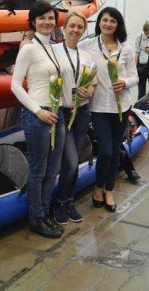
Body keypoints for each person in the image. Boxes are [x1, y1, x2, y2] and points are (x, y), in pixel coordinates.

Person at [11, 1, 68, 239]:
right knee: (38, 170)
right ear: (33, 22)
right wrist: (37, 111)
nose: (47, 22)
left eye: (51, 18)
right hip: (38, 115)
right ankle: (36, 218)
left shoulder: (55, 48)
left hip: (58, 113)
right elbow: (15, 85)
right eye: (42, 18)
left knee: (53, 169)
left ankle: (44, 212)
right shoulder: (28, 49)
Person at [79, 7, 138, 213]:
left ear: (118, 25)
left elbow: (135, 76)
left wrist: (124, 82)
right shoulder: (87, 45)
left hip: (122, 106)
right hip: (99, 106)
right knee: (105, 150)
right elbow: (68, 51)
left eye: (113, 21)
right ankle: (98, 187)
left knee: (114, 151)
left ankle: (109, 189)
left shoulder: (126, 49)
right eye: (105, 20)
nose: (108, 24)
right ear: (99, 23)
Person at [52, 11, 96, 225]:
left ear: (83, 30)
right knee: (69, 162)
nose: (75, 30)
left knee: (75, 160)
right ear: (64, 27)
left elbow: (93, 83)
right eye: (72, 26)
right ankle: (61, 202)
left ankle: (69, 202)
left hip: (82, 112)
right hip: (62, 112)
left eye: (80, 27)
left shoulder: (87, 56)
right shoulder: (54, 51)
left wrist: (89, 92)